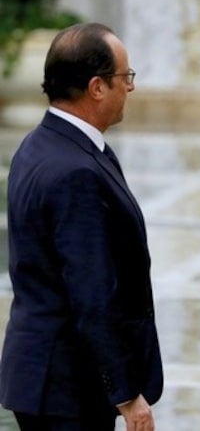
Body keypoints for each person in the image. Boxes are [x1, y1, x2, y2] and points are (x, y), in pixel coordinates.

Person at [0, 23, 162, 431]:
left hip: (46, 378)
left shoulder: (42, 145)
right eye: (126, 77)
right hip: (66, 388)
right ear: (96, 87)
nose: (131, 87)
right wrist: (125, 394)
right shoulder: (76, 169)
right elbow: (92, 293)